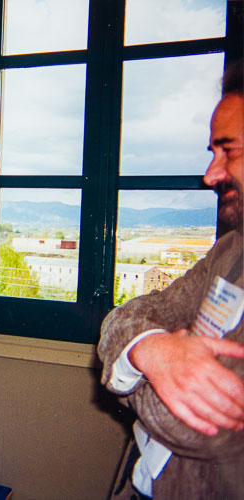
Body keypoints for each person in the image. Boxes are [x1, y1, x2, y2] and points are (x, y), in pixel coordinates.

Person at [99, 61, 244, 499]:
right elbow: (132, 313)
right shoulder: (230, 251)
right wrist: (152, 347)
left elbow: (199, 426)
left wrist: (131, 360)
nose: (211, 175)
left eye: (229, 151)